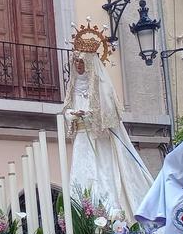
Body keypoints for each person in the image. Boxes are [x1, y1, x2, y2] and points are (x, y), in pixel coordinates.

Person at [62, 45, 153, 220]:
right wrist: (73, 114)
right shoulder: (73, 87)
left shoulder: (101, 85)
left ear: (89, 63)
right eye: (76, 62)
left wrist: (90, 115)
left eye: (81, 62)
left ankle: (109, 211)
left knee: (103, 173)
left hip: (100, 138)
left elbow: (109, 114)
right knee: (82, 172)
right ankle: (82, 212)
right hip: (82, 137)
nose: (78, 66)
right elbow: (67, 110)